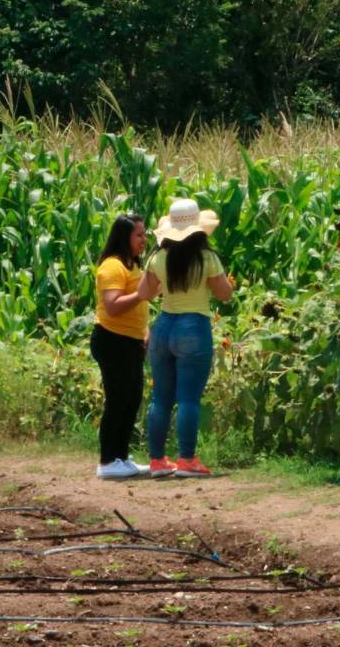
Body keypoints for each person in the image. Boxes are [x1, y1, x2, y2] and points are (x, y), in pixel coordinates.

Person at [138, 198, 233, 478]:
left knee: (160, 398)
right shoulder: (207, 258)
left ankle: (157, 461)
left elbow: (145, 293)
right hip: (194, 326)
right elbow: (225, 294)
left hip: (164, 325)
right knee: (189, 398)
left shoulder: (158, 257)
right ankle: (187, 459)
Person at [90, 214, 155, 479]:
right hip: (112, 340)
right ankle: (107, 461)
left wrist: (145, 331)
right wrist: (141, 294)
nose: (144, 239)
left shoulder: (133, 264)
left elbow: (140, 304)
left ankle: (121, 457)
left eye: (144, 234)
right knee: (117, 400)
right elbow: (113, 306)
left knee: (132, 399)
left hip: (131, 341)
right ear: (124, 237)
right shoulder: (112, 266)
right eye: (139, 234)